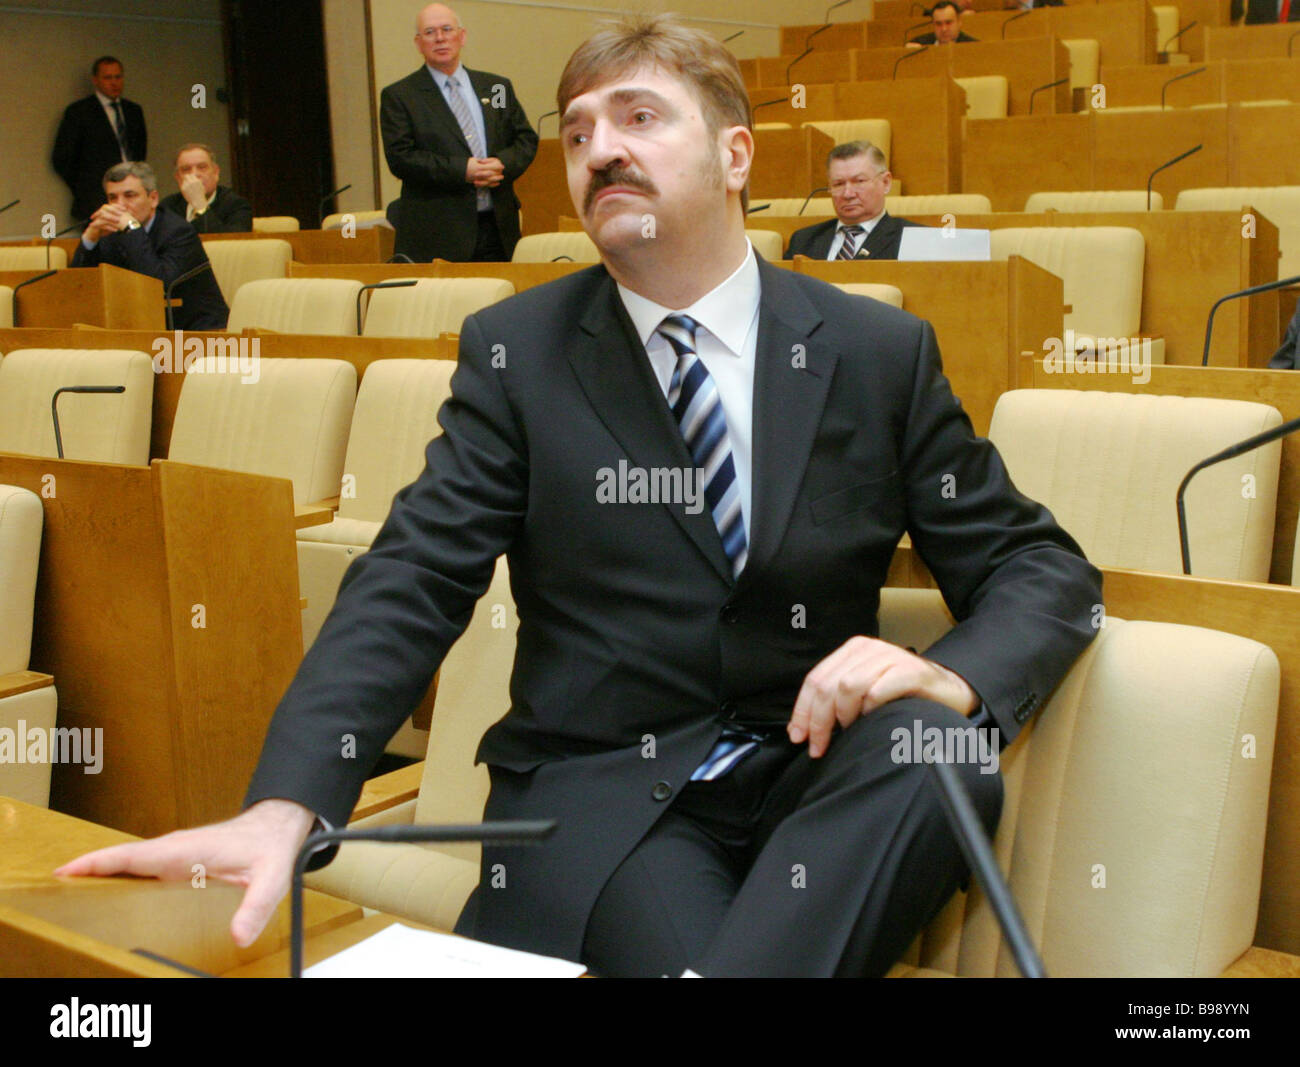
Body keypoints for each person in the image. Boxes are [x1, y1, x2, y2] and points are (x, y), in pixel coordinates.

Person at [58, 14, 1101, 978]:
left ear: (736, 155)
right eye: (578, 133)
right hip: (616, 804)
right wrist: (289, 801)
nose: (600, 148)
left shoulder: (876, 351)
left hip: (817, 783)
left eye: (639, 117)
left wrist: (949, 673)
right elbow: (412, 576)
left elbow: (1039, 567)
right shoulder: (520, 353)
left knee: (938, 748)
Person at [379, 3, 538, 261]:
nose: (440, 38)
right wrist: (463, 170)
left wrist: (502, 164)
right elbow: (401, 158)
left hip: (498, 228)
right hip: (438, 233)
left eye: (447, 29)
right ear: (418, 43)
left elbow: (523, 138)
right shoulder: (401, 96)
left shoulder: (496, 88)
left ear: (462, 36)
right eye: (430, 32)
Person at [71, 162, 228, 330]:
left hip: (196, 331)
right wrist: (90, 237)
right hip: (136, 327)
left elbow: (158, 286)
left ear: (153, 199)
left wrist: (132, 229)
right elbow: (78, 289)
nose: (120, 206)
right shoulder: (111, 233)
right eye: (113, 198)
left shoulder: (179, 232)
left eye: (129, 196)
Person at [785, 141, 921, 261]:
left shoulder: (914, 240)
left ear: (885, 182)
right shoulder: (803, 241)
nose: (848, 194)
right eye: (838, 184)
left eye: (859, 181)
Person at [52, 56, 148, 223]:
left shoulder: (133, 111)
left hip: (132, 194)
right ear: (95, 80)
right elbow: (62, 158)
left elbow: (140, 151)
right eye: (108, 78)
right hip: (95, 198)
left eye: (118, 77)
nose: (114, 83)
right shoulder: (79, 112)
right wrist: (85, 187)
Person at [159, 144, 253, 234]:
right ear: (178, 178)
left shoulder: (236, 205)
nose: (195, 174)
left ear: (216, 173)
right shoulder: (167, 207)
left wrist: (200, 205)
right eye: (186, 169)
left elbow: (228, 242)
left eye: (202, 167)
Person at [909, 1, 979, 44]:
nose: (944, 29)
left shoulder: (972, 46)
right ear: (933, 25)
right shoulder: (920, 44)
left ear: (959, 23)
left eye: (948, 23)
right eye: (938, 24)